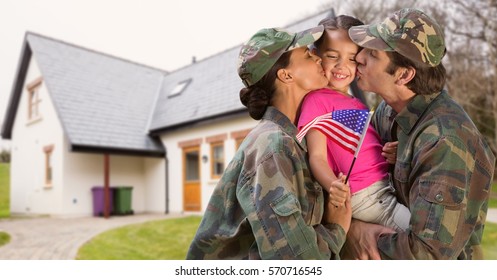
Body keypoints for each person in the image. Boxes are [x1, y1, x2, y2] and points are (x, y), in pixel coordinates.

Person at [341, 8, 496, 259]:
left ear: (403, 75)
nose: (358, 57)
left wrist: (351, 234)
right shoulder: (387, 111)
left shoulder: (444, 140)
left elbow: (426, 254)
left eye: (373, 54)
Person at [186, 26, 352, 260]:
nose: (317, 56)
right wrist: (337, 229)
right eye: (306, 55)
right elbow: (296, 263)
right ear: (286, 75)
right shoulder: (273, 146)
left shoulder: (297, 138)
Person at [297, 15, 410, 232]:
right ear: (316, 56)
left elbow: (363, 147)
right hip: (365, 194)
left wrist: (387, 153)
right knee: (420, 234)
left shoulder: (354, 101)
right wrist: (333, 185)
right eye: (332, 56)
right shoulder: (317, 100)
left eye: (352, 58)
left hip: (383, 186)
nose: (342, 66)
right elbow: (317, 156)